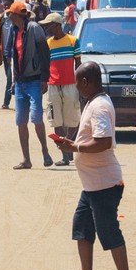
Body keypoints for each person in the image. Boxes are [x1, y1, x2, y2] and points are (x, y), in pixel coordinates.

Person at [56, 62, 135, 270]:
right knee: (82, 227)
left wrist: (75, 146)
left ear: (86, 82)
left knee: (109, 232)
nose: (77, 87)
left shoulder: (100, 106)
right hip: (92, 185)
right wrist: (71, 143)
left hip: (104, 184)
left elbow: (103, 141)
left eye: (78, 82)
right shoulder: (94, 102)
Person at [5, 1, 52, 169]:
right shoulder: (14, 30)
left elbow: (45, 54)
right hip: (19, 83)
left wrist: (45, 78)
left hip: (34, 81)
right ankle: (26, 159)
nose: (8, 16)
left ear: (17, 15)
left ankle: (45, 152)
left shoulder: (34, 28)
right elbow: (14, 57)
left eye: (10, 13)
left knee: (37, 117)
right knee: (20, 121)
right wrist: (13, 81)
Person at [39, 12, 81, 166]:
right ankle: (65, 155)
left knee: (72, 121)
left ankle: (68, 147)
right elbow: (44, 66)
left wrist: (81, 85)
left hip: (70, 84)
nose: (46, 28)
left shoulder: (73, 41)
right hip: (52, 86)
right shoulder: (48, 43)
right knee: (56, 121)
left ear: (56, 25)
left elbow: (78, 65)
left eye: (48, 25)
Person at [0, 0, 16, 109]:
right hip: (6, 54)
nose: (6, 7)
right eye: (5, 5)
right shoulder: (1, 18)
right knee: (9, 77)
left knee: (11, 78)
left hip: (17, 53)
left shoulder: (17, 17)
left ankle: (7, 101)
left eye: (8, 5)